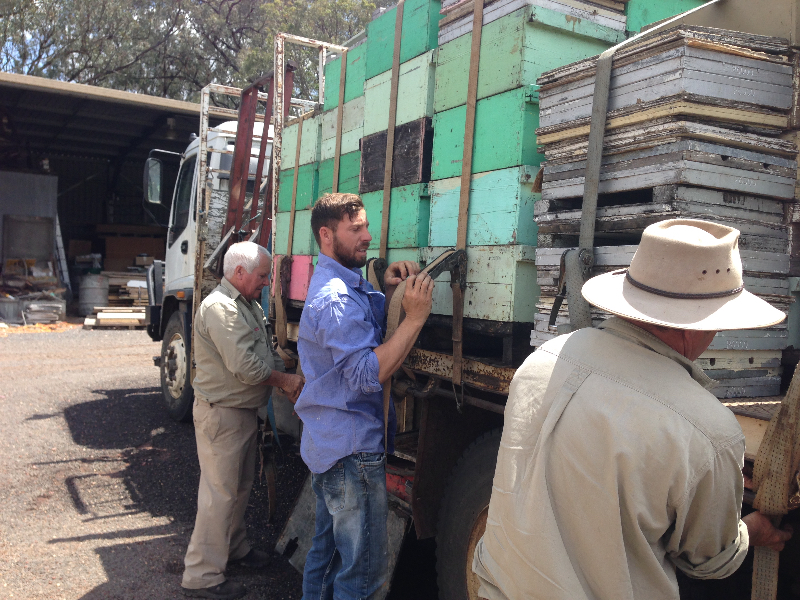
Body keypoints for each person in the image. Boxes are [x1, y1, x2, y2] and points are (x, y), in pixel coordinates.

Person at [473, 219, 793, 600]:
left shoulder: (544, 358)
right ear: (697, 327)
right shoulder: (709, 433)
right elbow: (707, 561)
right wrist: (752, 531)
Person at [295, 192, 434, 600]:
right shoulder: (335, 299)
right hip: (351, 455)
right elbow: (363, 374)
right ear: (326, 235)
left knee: (325, 561)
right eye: (355, 229)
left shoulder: (335, 286)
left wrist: (388, 293)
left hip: (328, 445)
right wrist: (416, 318)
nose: (367, 236)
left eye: (366, 227)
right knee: (363, 578)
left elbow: (360, 331)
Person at [181, 241, 305, 600]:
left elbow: (264, 352)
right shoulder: (221, 308)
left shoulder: (246, 304)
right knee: (218, 495)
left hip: (240, 414)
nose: (267, 282)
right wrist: (286, 382)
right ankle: (201, 575)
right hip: (222, 415)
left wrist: (289, 378)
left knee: (238, 487)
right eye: (262, 276)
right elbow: (246, 366)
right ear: (239, 273)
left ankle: (233, 548)